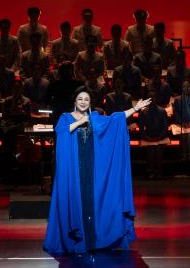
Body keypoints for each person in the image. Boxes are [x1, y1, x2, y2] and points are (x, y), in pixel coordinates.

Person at [44, 87, 150, 256]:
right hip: (74, 170)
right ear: (75, 101)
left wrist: (135, 108)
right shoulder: (65, 117)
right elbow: (61, 132)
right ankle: (78, 240)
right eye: (80, 99)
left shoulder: (95, 118)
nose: (83, 102)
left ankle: (93, 241)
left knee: (91, 202)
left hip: (92, 168)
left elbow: (116, 119)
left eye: (86, 99)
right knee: (77, 202)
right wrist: (80, 122)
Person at [139, 91, 170, 179]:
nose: (152, 99)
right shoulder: (143, 112)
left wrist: (159, 137)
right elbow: (141, 128)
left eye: (154, 97)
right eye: (150, 97)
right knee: (151, 149)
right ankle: (151, 170)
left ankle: (158, 171)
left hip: (160, 136)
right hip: (148, 137)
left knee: (159, 149)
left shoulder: (162, 111)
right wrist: (147, 137)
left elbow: (165, 127)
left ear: (157, 99)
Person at [172, 79, 190, 162]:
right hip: (181, 123)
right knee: (183, 135)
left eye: (188, 86)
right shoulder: (177, 99)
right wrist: (182, 123)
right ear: (182, 88)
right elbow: (176, 114)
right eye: (184, 86)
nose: (186, 88)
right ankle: (184, 155)